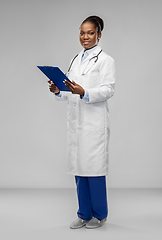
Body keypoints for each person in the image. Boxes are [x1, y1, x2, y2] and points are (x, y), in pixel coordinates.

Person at [48, 15, 115, 229]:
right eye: (82, 32)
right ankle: (84, 213)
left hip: (93, 124)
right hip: (77, 123)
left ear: (99, 35)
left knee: (94, 171)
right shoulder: (76, 59)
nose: (85, 37)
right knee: (79, 170)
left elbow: (108, 90)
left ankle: (99, 215)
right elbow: (70, 90)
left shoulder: (106, 60)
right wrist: (59, 90)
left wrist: (84, 91)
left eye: (90, 33)